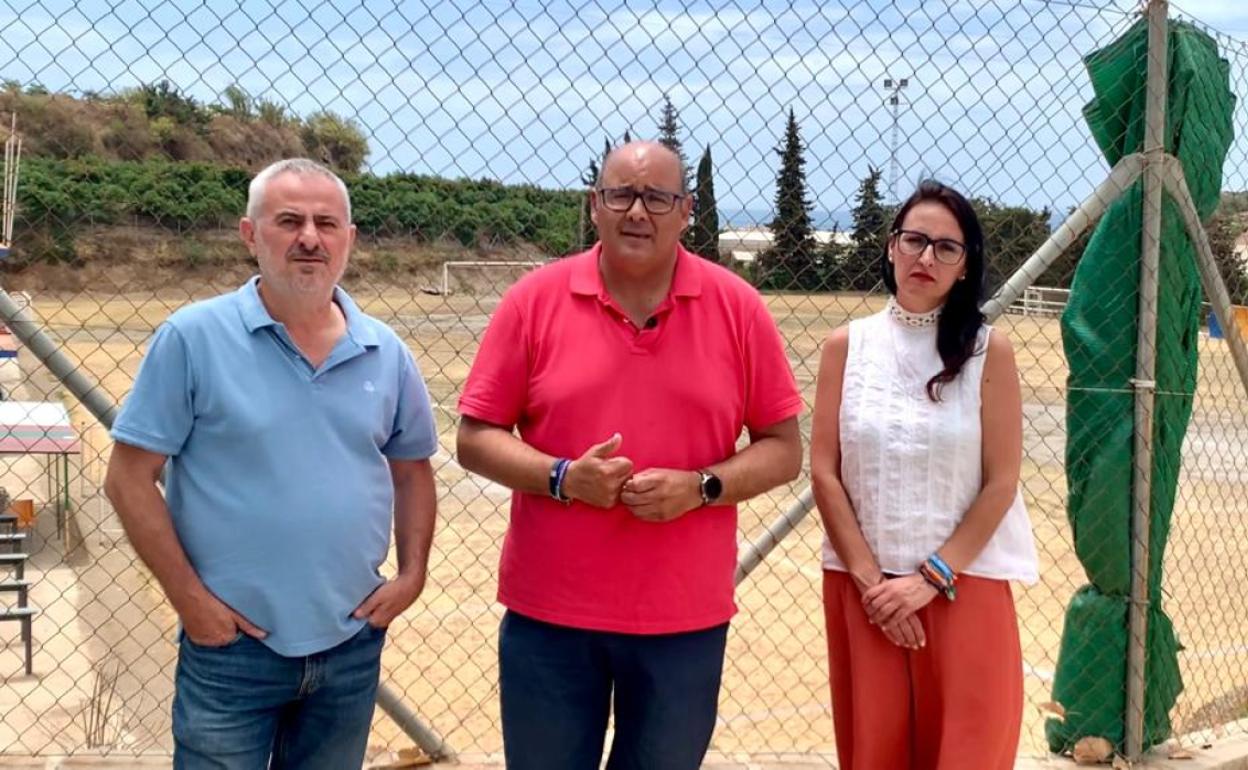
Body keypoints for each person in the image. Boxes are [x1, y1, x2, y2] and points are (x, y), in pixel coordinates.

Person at [456, 140, 803, 770]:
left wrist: (701, 486)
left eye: (657, 197)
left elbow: (783, 451)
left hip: (683, 620)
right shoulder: (533, 301)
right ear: (595, 205)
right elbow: (475, 437)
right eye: (621, 194)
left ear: (686, 210)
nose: (637, 211)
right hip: (551, 616)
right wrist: (563, 478)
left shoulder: (738, 309)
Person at [103, 158, 439, 770]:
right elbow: (128, 478)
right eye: (289, 221)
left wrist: (412, 573)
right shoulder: (192, 338)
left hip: (350, 642)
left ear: (349, 239)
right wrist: (191, 602)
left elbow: (412, 467)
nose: (310, 238)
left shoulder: (385, 352)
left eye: (326, 223)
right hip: (231, 646)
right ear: (250, 235)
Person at [810, 180, 1038, 769]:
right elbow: (825, 473)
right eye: (914, 241)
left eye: (946, 247)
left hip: (964, 586)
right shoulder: (845, 347)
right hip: (867, 592)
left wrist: (930, 578)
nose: (926, 258)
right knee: (874, 753)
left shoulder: (991, 352)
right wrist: (871, 583)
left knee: (969, 753)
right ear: (891, 248)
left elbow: (1001, 482)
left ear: (966, 266)